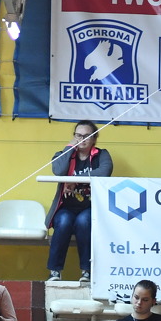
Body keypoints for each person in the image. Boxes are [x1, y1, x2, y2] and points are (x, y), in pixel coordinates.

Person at [47, 120, 112, 283]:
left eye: (87, 136)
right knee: (63, 221)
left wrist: (75, 179)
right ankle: (55, 271)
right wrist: (70, 147)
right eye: (78, 135)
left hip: (90, 207)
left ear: (94, 138)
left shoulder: (102, 155)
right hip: (66, 206)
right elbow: (58, 171)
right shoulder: (63, 154)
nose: (82, 139)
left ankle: (87, 271)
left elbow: (105, 172)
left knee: (84, 221)